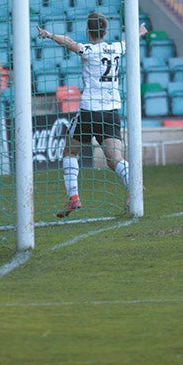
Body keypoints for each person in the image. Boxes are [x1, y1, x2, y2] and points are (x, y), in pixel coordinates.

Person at [37, 12, 147, 218]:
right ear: (105, 31)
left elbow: (69, 42)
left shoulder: (88, 50)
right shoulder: (115, 48)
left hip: (89, 111)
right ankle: (135, 188)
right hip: (111, 111)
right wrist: (139, 32)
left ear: (88, 32)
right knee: (114, 159)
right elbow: (128, 41)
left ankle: (74, 197)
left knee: (70, 152)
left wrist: (50, 35)